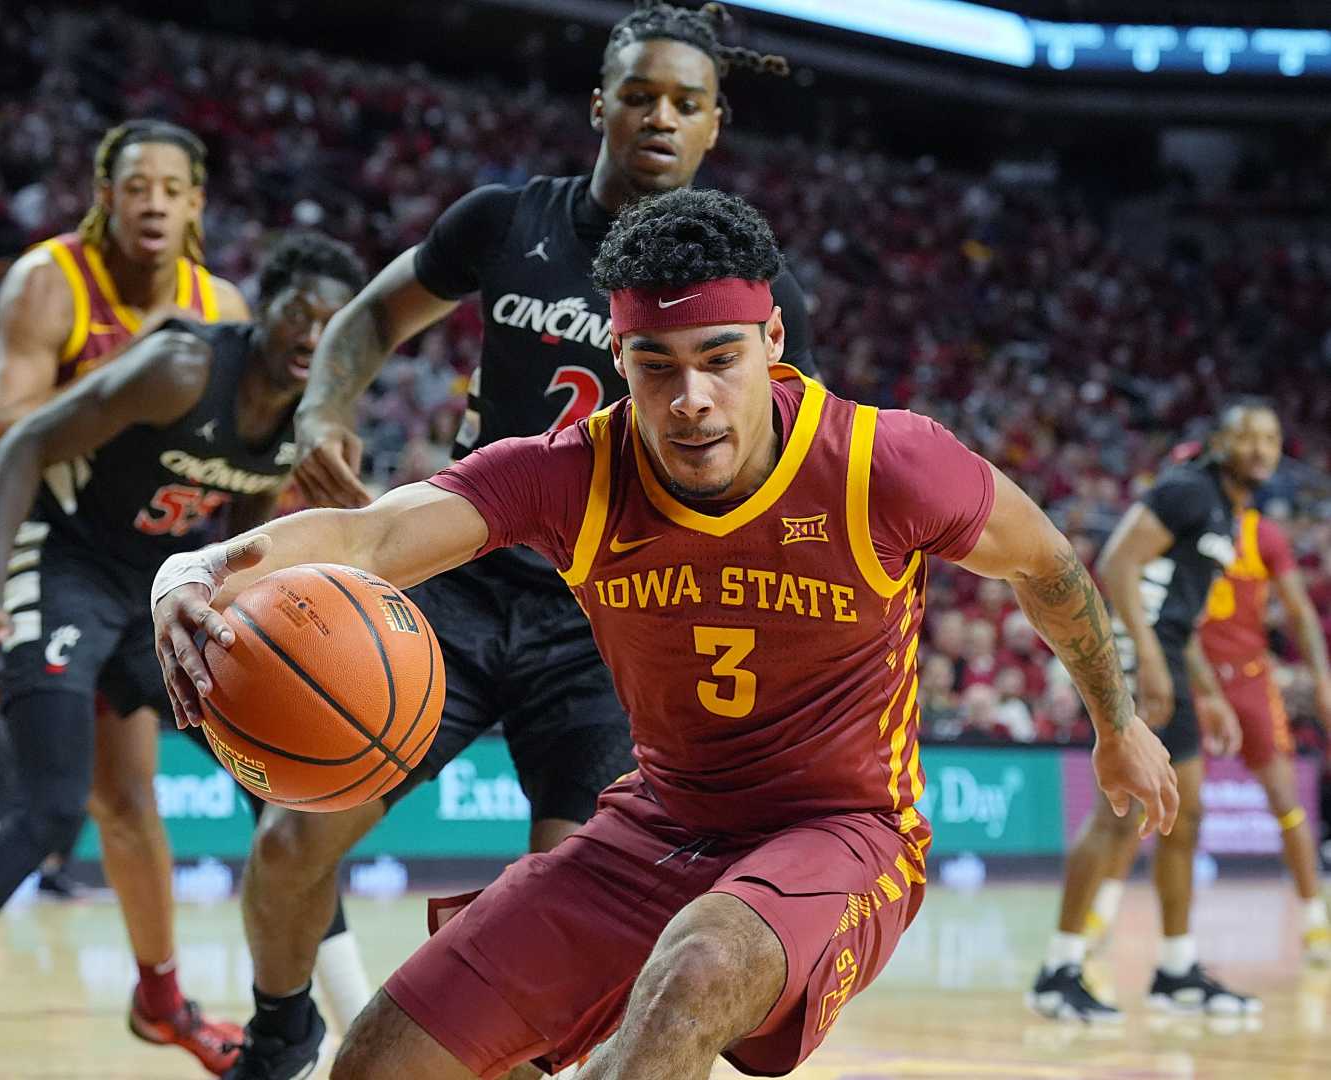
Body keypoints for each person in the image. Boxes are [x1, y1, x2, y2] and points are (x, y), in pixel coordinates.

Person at [153, 187, 1178, 1080]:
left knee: (696, 966)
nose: (688, 400)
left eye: (717, 359)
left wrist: (1115, 720)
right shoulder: (571, 472)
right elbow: (372, 536)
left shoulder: (887, 464)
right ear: (617, 354)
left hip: (845, 830)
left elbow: (1046, 565)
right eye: (654, 364)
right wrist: (191, 569)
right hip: (657, 822)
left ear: (771, 344)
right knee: (380, 1062)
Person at [241, 3, 814, 1073]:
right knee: (290, 837)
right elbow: (366, 319)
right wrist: (322, 414)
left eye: (684, 103)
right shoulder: (506, 222)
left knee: (570, 951)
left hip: (614, 627)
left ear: (713, 126)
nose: (658, 116)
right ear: (599, 103)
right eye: (638, 94)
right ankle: (280, 1032)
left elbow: (795, 468)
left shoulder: (743, 283)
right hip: (462, 583)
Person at [0, 233, 365, 1080]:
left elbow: (245, 527)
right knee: (52, 809)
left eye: (332, 322)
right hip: (59, 561)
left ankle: (336, 1021)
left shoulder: (306, 414)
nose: (313, 330)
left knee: (280, 774)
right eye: (300, 310)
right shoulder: (182, 367)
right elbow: (24, 444)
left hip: (153, 585)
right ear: (265, 308)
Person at [0, 119, 250, 1076]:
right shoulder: (51, 278)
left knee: (127, 797)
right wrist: (129, 396)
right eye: (137, 186)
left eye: (174, 188)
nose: (155, 203)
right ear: (105, 192)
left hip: (116, 561)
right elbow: (4, 422)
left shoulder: (221, 306)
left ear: (197, 203)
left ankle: (162, 999)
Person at [1030, 402, 1282, 1021]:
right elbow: (1116, 563)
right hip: (1136, 655)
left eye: (1270, 439)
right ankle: (1057, 970)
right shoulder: (1188, 489)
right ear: (1219, 441)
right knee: (1117, 821)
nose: (1258, 448)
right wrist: (1147, 658)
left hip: (1165, 652)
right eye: (1246, 436)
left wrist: (1209, 691)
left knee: (1184, 816)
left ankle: (1175, 971)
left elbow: (1181, 611)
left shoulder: (1227, 507)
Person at [1082, 494, 1331, 965]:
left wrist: (1321, 676)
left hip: (1251, 678)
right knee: (1147, 799)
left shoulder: (1262, 534)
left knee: (1285, 800)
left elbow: (1298, 610)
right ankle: (1102, 915)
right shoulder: (1169, 530)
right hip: (1189, 676)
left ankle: (1315, 921)